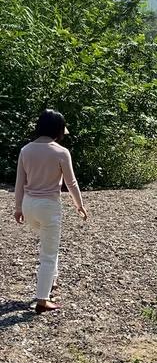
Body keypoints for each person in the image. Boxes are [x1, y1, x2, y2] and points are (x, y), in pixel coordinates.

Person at [14, 109, 88, 314]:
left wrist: (18, 207)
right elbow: (71, 183)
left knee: (49, 245)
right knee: (49, 253)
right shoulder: (61, 152)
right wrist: (79, 205)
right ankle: (42, 300)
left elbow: (20, 182)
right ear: (58, 129)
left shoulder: (25, 150)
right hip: (49, 207)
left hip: (29, 205)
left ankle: (51, 281)